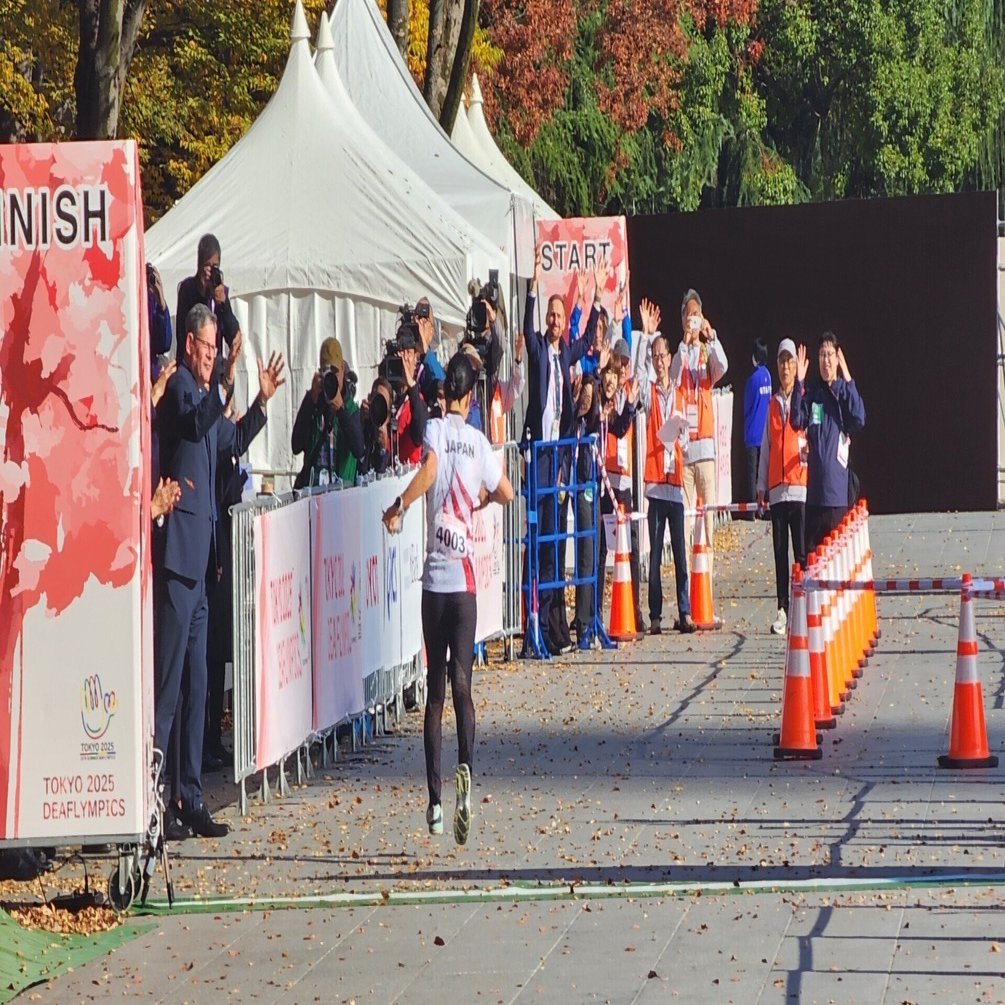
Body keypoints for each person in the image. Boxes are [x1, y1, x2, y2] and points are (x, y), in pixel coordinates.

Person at [155, 304, 285, 838]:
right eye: (206, 349)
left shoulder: (205, 395)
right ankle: (157, 799)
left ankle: (189, 794)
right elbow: (192, 422)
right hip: (177, 557)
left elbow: (227, 441)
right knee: (168, 687)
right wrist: (222, 383)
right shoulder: (182, 389)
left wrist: (259, 402)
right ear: (190, 344)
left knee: (200, 681)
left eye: (215, 351)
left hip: (204, 560)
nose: (211, 357)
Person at [381, 352, 514, 845]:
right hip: (465, 584)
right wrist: (482, 500)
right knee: (463, 686)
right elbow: (507, 492)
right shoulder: (479, 442)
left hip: (434, 584)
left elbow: (430, 470)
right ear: (473, 395)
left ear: (446, 393)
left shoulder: (436, 429)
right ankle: (467, 771)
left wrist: (400, 503)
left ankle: (435, 802)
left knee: (434, 695)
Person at [522, 244, 594, 655]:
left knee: (555, 539)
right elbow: (527, 328)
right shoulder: (537, 351)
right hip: (538, 456)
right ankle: (536, 622)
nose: (552, 321)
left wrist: (592, 298)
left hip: (559, 456)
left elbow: (585, 342)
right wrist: (533, 287)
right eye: (549, 315)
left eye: (558, 315)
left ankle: (555, 627)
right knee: (537, 540)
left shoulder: (565, 351)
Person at [633, 299, 694, 635]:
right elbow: (638, 378)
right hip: (656, 482)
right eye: (655, 357)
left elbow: (686, 438)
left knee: (681, 555)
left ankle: (684, 611)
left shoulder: (679, 393)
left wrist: (680, 436)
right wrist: (645, 335)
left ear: (670, 359)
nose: (658, 362)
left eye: (662, 356)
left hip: (676, 483)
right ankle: (655, 615)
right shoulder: (650, 392)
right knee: (655, 554)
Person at [790, 332, 866, 554]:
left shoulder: (843, 391)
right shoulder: (813, 393)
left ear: (837, 358)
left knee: (837, 560)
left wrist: (848, 377)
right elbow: (796, 420)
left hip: (837, 496)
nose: (826, 360)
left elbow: (859, 418)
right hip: (814, 496)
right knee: (811, 560)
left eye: (830, 354)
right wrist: (799, 382)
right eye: (822, 354)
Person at [670, 289, 728, 566]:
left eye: (696, 314)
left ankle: (709, 570)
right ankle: (686, 570)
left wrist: (711, 336)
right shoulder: (679, 354)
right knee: (684, 516)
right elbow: (670, 378)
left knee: (708, 516)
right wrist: (684, 344)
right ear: (682, 320)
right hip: (684, 448)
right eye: (688, 315)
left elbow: (723, 367)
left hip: (705, 449)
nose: (692, 320)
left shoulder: (707, 352)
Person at [757, 339, 808, 636]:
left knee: (800, 552)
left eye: (790, 362)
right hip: (777, 490)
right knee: (779, 552)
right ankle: (782, 607)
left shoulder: (803, 398)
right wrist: (761, 485)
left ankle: (801, 604)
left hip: (799, 487)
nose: (786, 367)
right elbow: (766, 446)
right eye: (782, 362)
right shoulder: (772, 405)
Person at [595, 355, 644, 630]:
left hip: (625, 483)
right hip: (605, 481)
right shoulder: (602, 400)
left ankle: (633, 608)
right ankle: (597, 612)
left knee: (630, 547)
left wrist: (632, 405)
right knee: (602, 548)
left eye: (618, 371)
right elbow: (612, 427)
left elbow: (622, 427)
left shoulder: (626, 395)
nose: (614, 377)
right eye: (610, 373)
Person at [291, 336, 364, 489]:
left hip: (342, 497)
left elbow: (358, 449)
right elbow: (296, 446)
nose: (331, 378)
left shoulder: (351, 408)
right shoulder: (314, 404)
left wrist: (341, 410)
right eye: (326, 372)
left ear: (343, 371)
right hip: (314, 496)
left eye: (335, 372)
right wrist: (310, 400)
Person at [175, 234, 241, 359]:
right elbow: (182, 334)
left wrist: (224, 304)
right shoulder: (187, 289)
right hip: (192, 362)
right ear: (199, 264)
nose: (210, 271)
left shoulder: (222, 292)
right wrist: (203, 292)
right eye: (207, 265)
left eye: (215, 266)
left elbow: (233, 338)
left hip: (215, 364)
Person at [744, 337, 771, 508]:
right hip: (764, 431)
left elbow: (747, 404)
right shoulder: (768, 376)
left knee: (752, 473)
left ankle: (751, 510)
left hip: (752, 431)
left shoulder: (752, 379)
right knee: (765, 472)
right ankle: (765, 507)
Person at [358, 376, 394, 477]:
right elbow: (360, 466)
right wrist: (360, 425)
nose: (379, 407)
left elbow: (383, 476)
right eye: (376, 400)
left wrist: (383, 448)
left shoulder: (392, 435)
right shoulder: (366, 426)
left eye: (383, 404)